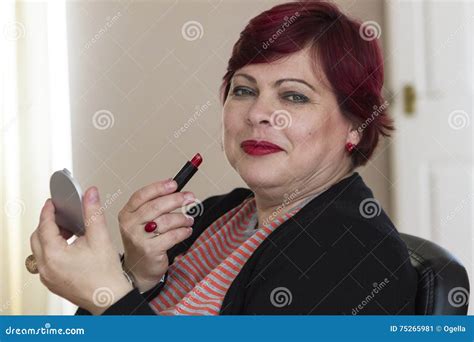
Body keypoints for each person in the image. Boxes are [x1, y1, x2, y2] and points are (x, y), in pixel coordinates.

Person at [30, 0, 418, 315]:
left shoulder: (352, 256)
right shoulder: (219, 215)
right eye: (244, 90)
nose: (257, 113)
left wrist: (108, 293)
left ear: (356, 124)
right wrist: (137, 274)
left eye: (294, 96)